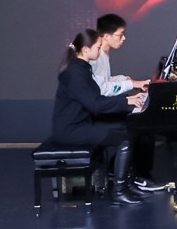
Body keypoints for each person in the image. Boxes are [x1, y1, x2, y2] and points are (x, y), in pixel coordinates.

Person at [50, 28, 148, 205]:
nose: (100, 50)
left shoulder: (82, 69)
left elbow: (98, 98)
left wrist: (127, 99)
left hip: (80, 124)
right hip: (70, 130)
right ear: (85, 49)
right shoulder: (75, 73)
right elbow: (95, 104)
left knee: (128, 128)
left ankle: (128, 184)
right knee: (124, 138)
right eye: (98, 47)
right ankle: (119, 192)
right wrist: (126, 102)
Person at [90, 13, 168, 193]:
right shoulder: (97, 56)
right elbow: (102, 89)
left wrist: (133, 82)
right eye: (120, 34)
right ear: (106, 36)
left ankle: (121, 168)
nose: (124, 38)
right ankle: (138, 175)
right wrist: (131, 86)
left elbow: (106, 80)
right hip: (100, 110)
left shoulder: (103, 53)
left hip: (104, 105)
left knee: (141, 121)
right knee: (142, 125)